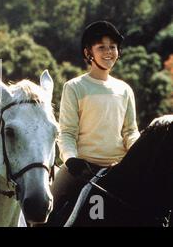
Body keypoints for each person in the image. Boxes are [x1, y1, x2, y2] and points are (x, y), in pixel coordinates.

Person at [51, 21, 140, 221]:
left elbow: (130, 131)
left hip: (118, 167)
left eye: (113, 47)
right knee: (44, 212)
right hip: (81, 169)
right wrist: (71, 159)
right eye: (101, 47)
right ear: (88, 53)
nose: (109, 52)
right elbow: (66, 132)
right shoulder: (74, 87)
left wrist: (139, 154)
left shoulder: (125, 90)